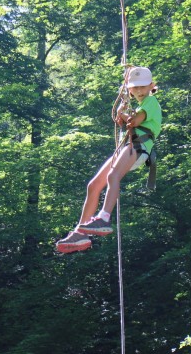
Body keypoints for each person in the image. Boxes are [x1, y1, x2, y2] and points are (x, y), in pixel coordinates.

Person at [56, 66, 162, 254]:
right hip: (128, 147)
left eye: (143, 87)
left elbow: (134, 122)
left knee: (113, 176)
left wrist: (124, 113)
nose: (138, 91)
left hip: (138, 146)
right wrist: (122, 111)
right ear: (129, 88)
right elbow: (126, 121)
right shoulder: (138, 105)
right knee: (94, 185)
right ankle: (81, 232)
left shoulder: (151, 102)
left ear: (151, 86)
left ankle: (104, 217)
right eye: (134, 87)